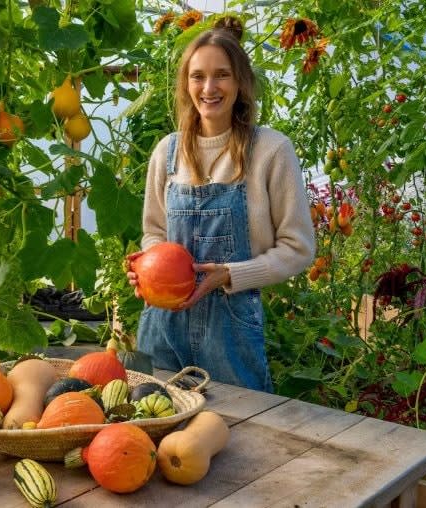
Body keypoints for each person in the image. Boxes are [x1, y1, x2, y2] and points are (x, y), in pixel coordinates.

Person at [126, 16, 315, 393]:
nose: (209, 87)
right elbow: (154, 233)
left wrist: (229, 274)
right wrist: (148, 271)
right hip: (163, 324)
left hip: (231, 331)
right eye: (198, 76)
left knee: (242, 436)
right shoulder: (167, 152)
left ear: (240, 82)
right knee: (155, 430)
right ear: (186, 84)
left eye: (222, 75)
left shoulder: (271, 151)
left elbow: (299, 249)